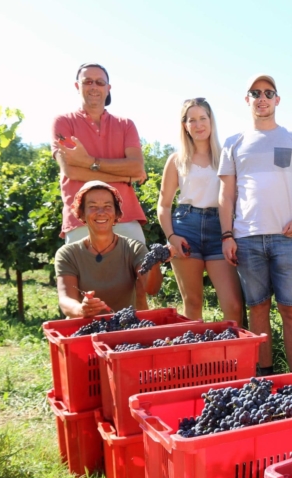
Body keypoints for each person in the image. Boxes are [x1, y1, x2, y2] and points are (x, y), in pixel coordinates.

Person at [218, 74, 292, 374]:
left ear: (277, 100)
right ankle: (265, 378)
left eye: (268, 93)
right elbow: (226, 195)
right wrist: (227, 235)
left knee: (291, 309)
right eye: (256, 93)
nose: (262, 98)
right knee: (257, 308)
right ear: (247, 99)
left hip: (287, 238)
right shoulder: (233, 143)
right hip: (247, 238)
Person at [52, 63, 150, 310]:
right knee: (81, 297)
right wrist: (124, 176)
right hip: (81, 218)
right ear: (77, 86)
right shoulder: (64, 123)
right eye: (88, 81)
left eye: (99, 82)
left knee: (139, 289)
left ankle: (137, 332)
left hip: (126, 214)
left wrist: (90, 162)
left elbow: (136, 167)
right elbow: (70, 170)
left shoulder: (125, 124)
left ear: (108, 88)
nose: (93, 86)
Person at [157, 98, 243, 322]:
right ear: (185, 125)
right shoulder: (176, 160)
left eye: (203, 118)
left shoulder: (227, 157)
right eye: (192, 120)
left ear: (211, 121)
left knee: (234, 305)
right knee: (193, 303)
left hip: (220, 229)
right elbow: (163, 205)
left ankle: (236, 346)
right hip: (186, 229)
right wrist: (171, 237)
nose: (198, 125)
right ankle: (195, 346)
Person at [55, 181, 163, 317]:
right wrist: (81, 310)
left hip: (125, 325)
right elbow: (66, 299)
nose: (101, 212)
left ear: (117, 213)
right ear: (81, 214)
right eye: (92, 206)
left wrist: (155, 262)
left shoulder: (134, 248)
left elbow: (151, 289)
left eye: (107, 206)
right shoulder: (68, 254)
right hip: (84, 325)